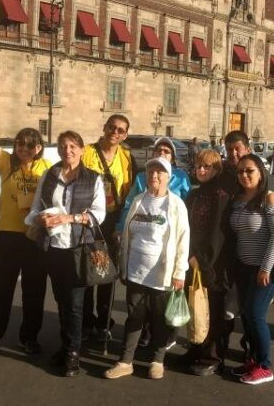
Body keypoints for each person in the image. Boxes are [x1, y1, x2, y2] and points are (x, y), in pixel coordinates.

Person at [0, 95, 53, 359]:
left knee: (34, 291)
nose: (23, 150)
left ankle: (29, 338)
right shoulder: (7, 164)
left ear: (38, 147)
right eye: (19, 145)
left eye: (28, 146)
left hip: (35, 237)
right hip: (8, 235)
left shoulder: (48, 169)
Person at [25, 130, 105, 377]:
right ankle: (66, 345)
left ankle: (73, 354)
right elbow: (37, 205)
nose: (67, 150)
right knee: (61, 300)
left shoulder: (93, 178)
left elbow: (99, 214)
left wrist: (69, 218)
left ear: (82, 150)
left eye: (72, 146)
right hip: (54, 247)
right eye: (63, 146)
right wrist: (39, 217)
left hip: (78, 248)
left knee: (75, 304)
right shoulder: (50, 175)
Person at [104, 157, 190, 380]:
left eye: (160, 172)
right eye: (151, 171)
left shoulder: (176, 205)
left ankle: (157, 360)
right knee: (134, 316)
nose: (154, 176)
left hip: (162, 273)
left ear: (168, 177)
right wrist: (123, 264)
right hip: (135, 271)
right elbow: (128, 233)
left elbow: (183, 240)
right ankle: (125, 361)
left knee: (159, 318)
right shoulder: (139, 200)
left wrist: (180, 272)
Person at [226, 154, 274, 385]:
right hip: (244, 267)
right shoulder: (239, 198)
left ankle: (265, 366)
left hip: (266, 269)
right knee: (248, 316)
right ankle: (253, 360)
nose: (244, 175)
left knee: (255, 314)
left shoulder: (270, 198)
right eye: (240, 171)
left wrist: (266, 268)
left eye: (249, 170)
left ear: (261, 172)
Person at [81, 114, 135, 339]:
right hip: (89, 219)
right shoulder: (87, 151)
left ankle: (104, 323)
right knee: (86, 271)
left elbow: (130, 190)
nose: (115, 132)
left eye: (120, 130)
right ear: (104, 127)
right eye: (112, 127)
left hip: (112, 220)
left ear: (125, 135)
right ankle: (85, 322)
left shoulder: (126, 156)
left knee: (106, 274)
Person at [183, 149, 232, 376]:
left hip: (212, 263)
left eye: (207, 167)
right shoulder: (194, 194)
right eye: (199, 166)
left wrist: (201, 259)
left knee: (213, 309)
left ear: (216, 169)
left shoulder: (220, 196)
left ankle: (212, 356)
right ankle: (195, 348)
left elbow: (217, 233)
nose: (201, 170)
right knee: (196, 307)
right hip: (192, 259)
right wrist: (189, 254)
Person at [116, 137, 192, 235]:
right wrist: (121, 228)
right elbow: (129, 205)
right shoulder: (142, 177)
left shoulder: (181, 177)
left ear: (172, 159)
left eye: (166, 151)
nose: (161, 153)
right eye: (158, 150)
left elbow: (189, 206)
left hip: (171, 228)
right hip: (143, 227)